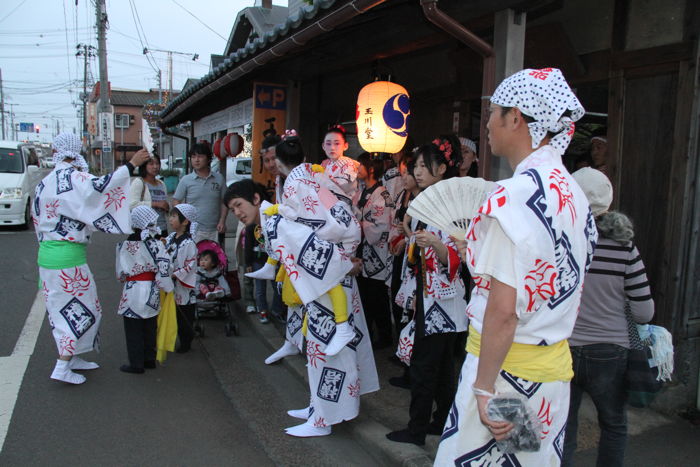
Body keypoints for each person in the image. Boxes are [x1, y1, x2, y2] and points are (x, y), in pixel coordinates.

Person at [434, 68, 595, 465]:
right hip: (548, 372)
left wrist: (484, 388)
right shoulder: (572, 192)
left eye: (492, 111)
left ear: (516, 118)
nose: (486, 122)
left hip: (504, 376)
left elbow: (504, 310)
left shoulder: (515, 196)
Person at [34, 132, 149, 384]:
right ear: (77, 151)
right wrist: (131, 165)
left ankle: (72, 356)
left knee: (65, 311)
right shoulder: (75, 178)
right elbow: (102, 188)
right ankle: (62, 366)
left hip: (49, 258)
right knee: (80, 311)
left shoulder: (44, 182)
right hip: (68, 260)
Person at [561, 167, 654, 467]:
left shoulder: (562, 243)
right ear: (609, 202)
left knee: (565, 427)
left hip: (565, 349)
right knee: (613, 425)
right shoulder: (625, 249)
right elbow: (644, 312)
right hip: (611, 352)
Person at [386, 139, 467, 446]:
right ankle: (441, 420)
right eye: (416, 166)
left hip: (441, 298)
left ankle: (417, 429)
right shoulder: (423, 202)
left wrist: (437, 247)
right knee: (443, 368)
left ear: (443, 168)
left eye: (423, 166)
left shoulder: (453, 206)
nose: (417, 171)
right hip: (426, 293)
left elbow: (463, 259)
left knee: (425, 367)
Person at [225, 179, 302, 363]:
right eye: (232, 210)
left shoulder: (276, 219)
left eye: (238, 205)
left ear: (256, 198)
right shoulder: (265, 222)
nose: (237, 213)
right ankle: (291, 341)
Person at [116, 206, 174, 374]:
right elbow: (165, 267)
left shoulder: (125, 245)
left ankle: (136, 363)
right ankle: (149, 358)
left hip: (133, 289)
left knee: (133, 327)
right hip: (152, 288)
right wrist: (167, 287)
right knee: (150, 325)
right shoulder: (157, 244)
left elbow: (120, 273)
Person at [355, 152, 394, 349]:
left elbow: (381, 225)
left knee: (377, 297)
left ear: (371, 168)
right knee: (363, 296)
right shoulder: (360, 190)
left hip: (376, 252)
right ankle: (367, 333)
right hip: (361, 252)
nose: (357, 169)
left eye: (360, 165)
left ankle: (385, 336)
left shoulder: (383, 194)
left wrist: (360, 224)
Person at [172, 142, 228, 243]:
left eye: (200, 156)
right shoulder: (186, 180)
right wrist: (182, 221)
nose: (196, 160)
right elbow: (176, 201)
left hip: (215, 229)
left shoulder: (219, 178)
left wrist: (222, 221)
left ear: (208, 159)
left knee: (216, 258)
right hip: (193, 231)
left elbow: (225, 201)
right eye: (193, 157)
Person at [164, 204, 199, 354]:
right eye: (170, 216)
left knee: (184, 315)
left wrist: (175, 274)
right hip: (170, 282)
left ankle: (186, 341)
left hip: (182, 285)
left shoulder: (189, 243)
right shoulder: (171, 238)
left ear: (185, 222)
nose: (170, 219)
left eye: (174, 216)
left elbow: (190, 265)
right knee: (172, 314)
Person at [320, 124, 360, 204]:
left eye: (337, 143)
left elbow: (343, 189)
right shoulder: (325, 164)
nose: (332, 147)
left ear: (345, 146)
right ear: (323, 146)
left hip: (342, 206)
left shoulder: (347, 163)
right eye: (328, 144)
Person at [130, 155, 169, 233]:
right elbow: (132, 205)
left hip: (162, 228)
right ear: (144, 166)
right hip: (144, 230)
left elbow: (164, 204)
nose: (155, 167)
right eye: (151, 164)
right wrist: (155, 204)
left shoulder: (161, 183)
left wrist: (167, 207)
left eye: (157, 164)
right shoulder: (139, 182)